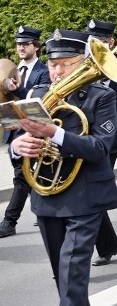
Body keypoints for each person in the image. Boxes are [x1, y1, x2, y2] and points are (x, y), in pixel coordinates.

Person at [10, 29, 117, 305]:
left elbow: (100, 148)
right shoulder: (37, 94)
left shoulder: (101, 97)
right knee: (62, 276)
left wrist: (54, 134)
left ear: (82, 63)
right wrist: (17, 147)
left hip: (86, 197)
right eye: (52, 64)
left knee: (72, 274)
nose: (57, 71)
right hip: (47, 197)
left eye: (65, 64)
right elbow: (15, 137)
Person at [85, 19, 117, 266]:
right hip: (81, 135)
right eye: (91, 41)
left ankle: (100, 247)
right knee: (88, 192)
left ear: (111, 42)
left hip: (107, 138)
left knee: (92, 190)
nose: (94, 45)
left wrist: (108, 73)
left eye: (100, 42)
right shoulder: (80, 64)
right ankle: (107, 245)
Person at [0, 26, 50, 238]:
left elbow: (38, 100)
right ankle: (45, 211)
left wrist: (15, 89)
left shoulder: (43, 71)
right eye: (18, 43)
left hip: (32, 131)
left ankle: (9, 221)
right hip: (13, 131)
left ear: (36, 46)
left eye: (25, 44)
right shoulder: (12, 69)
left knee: (22, 177)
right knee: (29, 175)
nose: (20, 47)